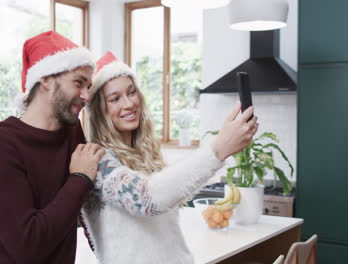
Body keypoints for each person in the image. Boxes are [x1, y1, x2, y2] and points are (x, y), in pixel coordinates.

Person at [81, 51, 259, 264]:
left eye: (132, 92)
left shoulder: (145, 155)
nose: (128, 104)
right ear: (99, 111)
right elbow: (148, 199)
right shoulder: (98, 161)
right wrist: (218, 148)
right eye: (115, 99)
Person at [0, 31, 105, 264]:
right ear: (45, 78)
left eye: (88, 86)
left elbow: (88, 215)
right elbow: (28, 246)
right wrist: (80, 177)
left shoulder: (71, 131)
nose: (86, 95)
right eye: (78, 83)